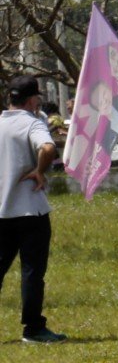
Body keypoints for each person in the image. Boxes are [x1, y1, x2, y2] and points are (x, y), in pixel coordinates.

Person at [1, 77, 63, 343]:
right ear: (31, 100)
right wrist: (39, 170)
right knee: (32, 272)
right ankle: (33, 328)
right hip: (29, 211)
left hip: (1, 211)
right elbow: (48, 147)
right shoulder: (32, 122)